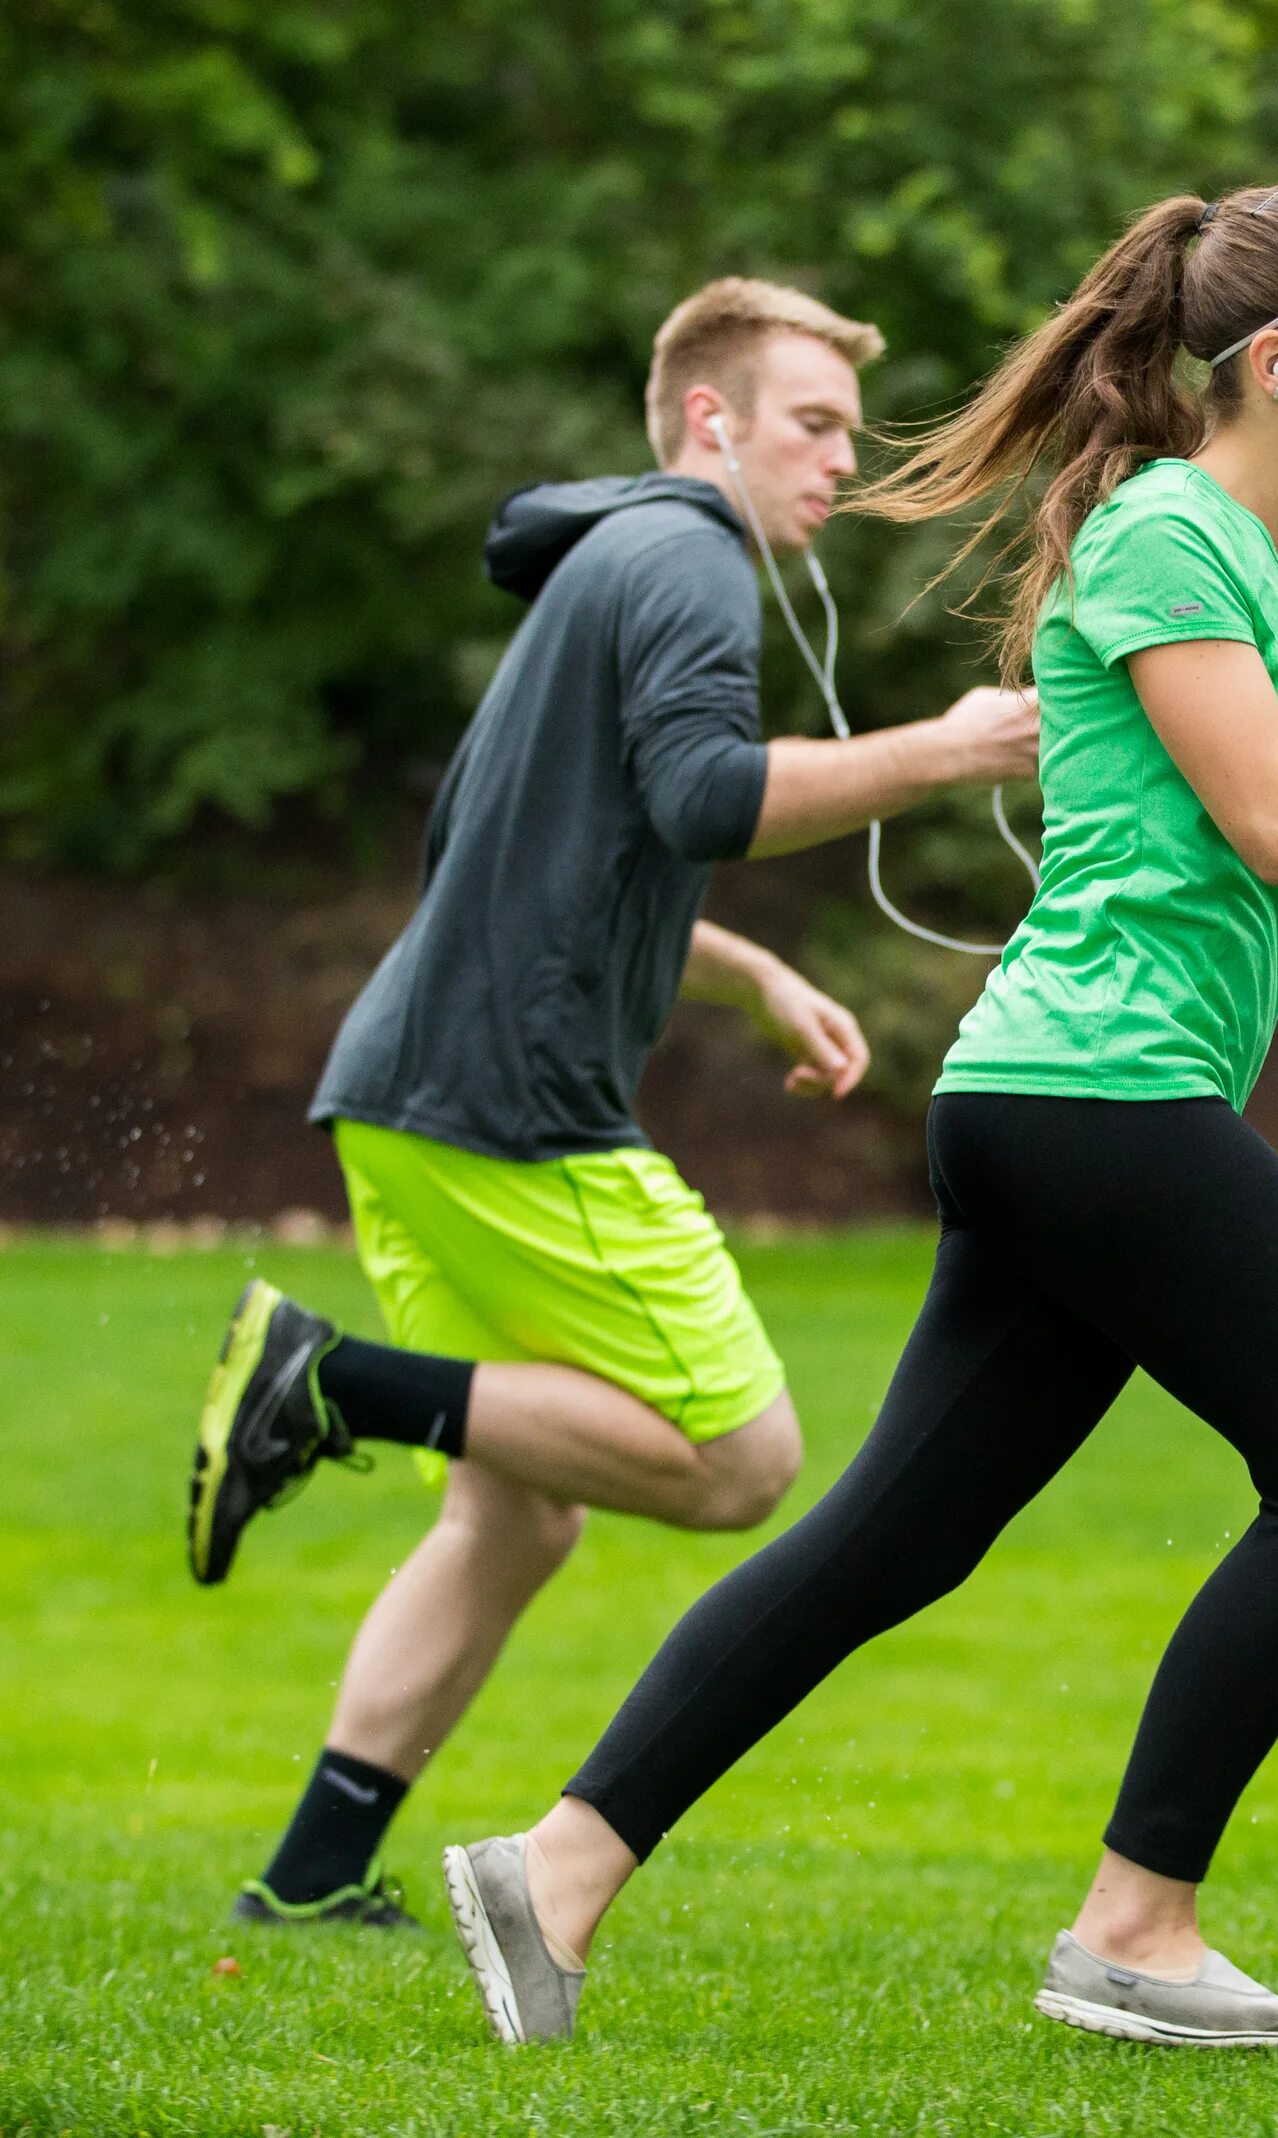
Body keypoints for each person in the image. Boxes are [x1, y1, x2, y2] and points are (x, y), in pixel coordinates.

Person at [437, 183, 1278, 2053]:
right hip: (1098, 1094)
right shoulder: (1165, 534)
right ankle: (1137, 1924)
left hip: (1069, 1096)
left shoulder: (1257, 563)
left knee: (892, 1538)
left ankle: (556, 1866)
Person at [186, 276, 1041, 1930]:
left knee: (517, 1514)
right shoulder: (686, 561)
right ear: (708, 420)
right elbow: (711, 793)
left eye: (849, 436)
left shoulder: (610, 565)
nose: (838, 467)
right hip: (513, 1103)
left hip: (409, 1088)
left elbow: (550, 861)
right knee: (738, 1458)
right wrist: (943, 749)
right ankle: (330, 1379)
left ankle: (305, 1878)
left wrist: (750, 978)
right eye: (812, 426)